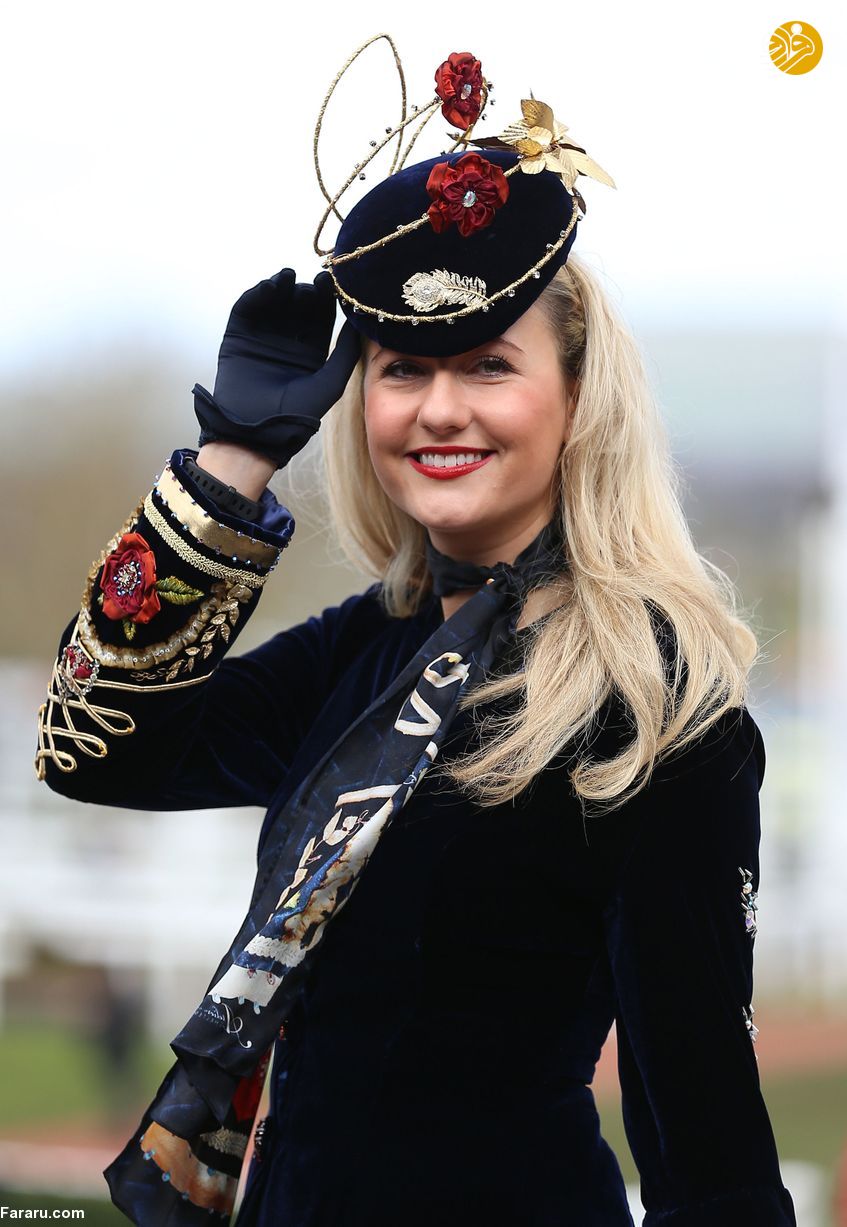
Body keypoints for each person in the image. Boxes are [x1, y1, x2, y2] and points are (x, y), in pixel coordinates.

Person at [36, 40, 796, 1227]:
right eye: (401, 370)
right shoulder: (364, 647)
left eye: (487, 366)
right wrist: (230, 461)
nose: (439, 410)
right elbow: (96, 753)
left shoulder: (651, 700)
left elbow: (706, 1143)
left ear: (576, 399)